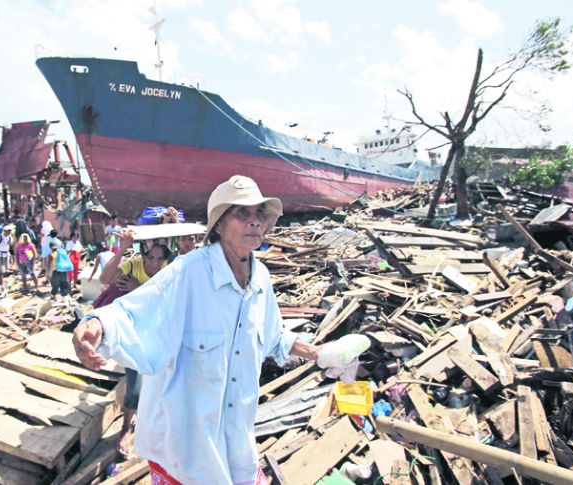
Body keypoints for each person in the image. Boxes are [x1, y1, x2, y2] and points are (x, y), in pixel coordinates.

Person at [72, 175, 369, 485]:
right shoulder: (188, 274)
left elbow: (274, 336)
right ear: (218, 224)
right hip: (184, 448)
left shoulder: (261, 279)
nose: (254, 221)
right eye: (242, 213)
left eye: (259, 214)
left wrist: (320, 354)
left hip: (236, 441)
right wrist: (96, 325)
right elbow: (136, 311)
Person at [97, 231, 171, 457]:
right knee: (135, 389)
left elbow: (169, 302)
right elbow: (105, 279)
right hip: (137, 338)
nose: (156, 263)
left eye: (160, 258)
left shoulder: (169, 270)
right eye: (151, 258)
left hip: (162, 337)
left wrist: (137, 289)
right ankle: (126, 429)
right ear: (143, 256)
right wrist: (122, 247)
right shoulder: (133, 265)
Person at [0, 226, 14, 292]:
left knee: (6, 269)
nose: (9, 232)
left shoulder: (10, 237)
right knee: (0, 269)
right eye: (8, 231)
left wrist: (12, 256)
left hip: (6, 254)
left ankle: (2, 280)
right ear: (4, 231)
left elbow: (11, 246)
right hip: (0, 254)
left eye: (10, 231)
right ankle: (1, 281)